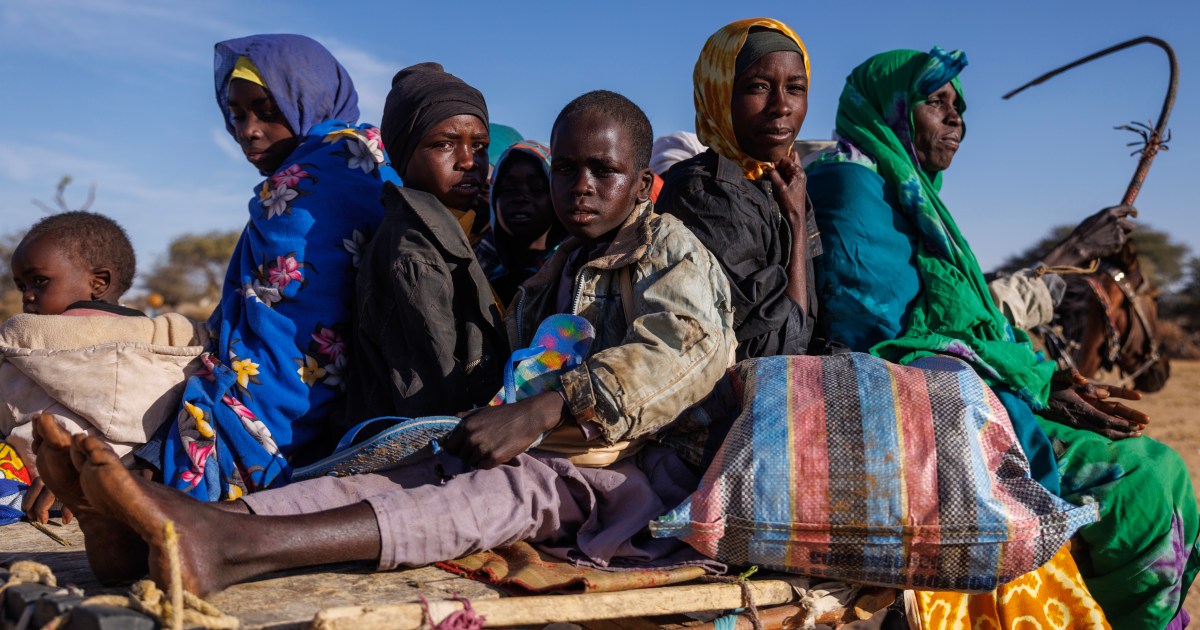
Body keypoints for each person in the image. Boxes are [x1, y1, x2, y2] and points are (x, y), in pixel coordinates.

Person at [33, 90, 735, 597]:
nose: (579, 187)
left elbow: (681, 351)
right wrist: (501, 415)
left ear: (644, 184)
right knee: (394, 476)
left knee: (494, 494)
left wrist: (546, 408)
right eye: (566, 169)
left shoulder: (668, 249)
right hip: (561, 451)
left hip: (643, 473)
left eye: (603, 172)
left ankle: (228, 545)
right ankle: (170, 530)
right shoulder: (558, 268)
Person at [807, 47, 1198, 629]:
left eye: (960, 106)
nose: (956, 117)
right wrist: (1032, 384)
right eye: (935, 101)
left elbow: (963, 314)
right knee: (1146, 479)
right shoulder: (851, 187)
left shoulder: (909, 193)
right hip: (911, 409)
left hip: (956, 391)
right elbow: (878, 336)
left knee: (1158, 467)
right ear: (891, 108)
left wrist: (1039, 374)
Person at [143, 34, 401, 502]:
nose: (248, 130)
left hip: (292, 432)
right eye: (237, 115)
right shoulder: (373, 158)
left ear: (308, 99)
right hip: (370, 410)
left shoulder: (302, 188)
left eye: (266, 111)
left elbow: (282, 356)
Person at [2, 211, 202, 523]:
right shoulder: (170, 341)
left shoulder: (25, 339)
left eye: (39, 281)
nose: (27, 295)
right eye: (21, 285)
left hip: (37, 489)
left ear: (99, 282)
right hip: (134, 485)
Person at [343, 62, 507, 424]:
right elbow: (436, 404)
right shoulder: (415, 255)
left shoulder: (451, 231)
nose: (469, 161)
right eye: (444, 144)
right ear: (404, 154)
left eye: (479, 146)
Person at [658, 18, 822, 361]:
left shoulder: (781, 180)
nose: (782, 106)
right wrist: (795, 220)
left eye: (795, 88)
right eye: (758, 87)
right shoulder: (703, 191)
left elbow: (812, 320)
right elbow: (778, 347)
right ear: (719, 93)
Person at [472, 140, 567, 305]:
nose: (520, 198)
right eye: (508, 189)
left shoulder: (572, 271)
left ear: (557, 195)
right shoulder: (475, 267)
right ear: (494, 199)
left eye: (537, 189)